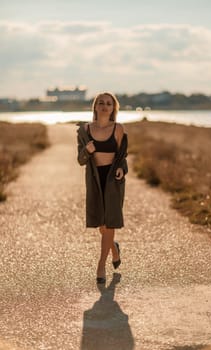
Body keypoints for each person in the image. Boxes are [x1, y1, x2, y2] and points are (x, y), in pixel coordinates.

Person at [77, 92, 128, 284]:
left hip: (113, 182)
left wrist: (122, 170)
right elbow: (80, 160)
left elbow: (122, 157)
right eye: (101, 103)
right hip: (95, 180)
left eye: (109, 103)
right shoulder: (85, 130)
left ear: (113, 108)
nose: (105, 106)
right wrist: (87, 150)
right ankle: (114, 248)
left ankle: (101, 266)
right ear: (95, 107)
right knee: (101, 223)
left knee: (109, 224)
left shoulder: (118, 129)